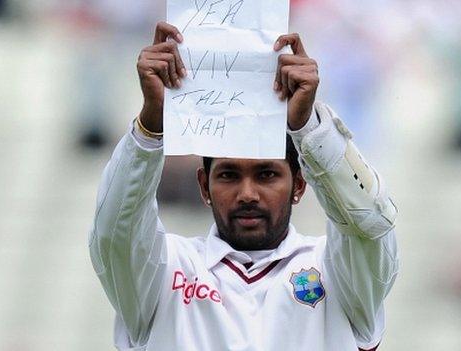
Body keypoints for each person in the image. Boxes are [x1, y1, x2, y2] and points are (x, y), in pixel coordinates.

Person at [90, 22, 399, 351]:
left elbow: (371, 224)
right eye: (228, 175)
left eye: (267, 174)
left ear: (299, 184)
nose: (247, 193)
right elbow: (115, 231)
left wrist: (310, 130)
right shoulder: (164, 270)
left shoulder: (337, 271)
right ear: (204, 187)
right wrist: (151, 124)